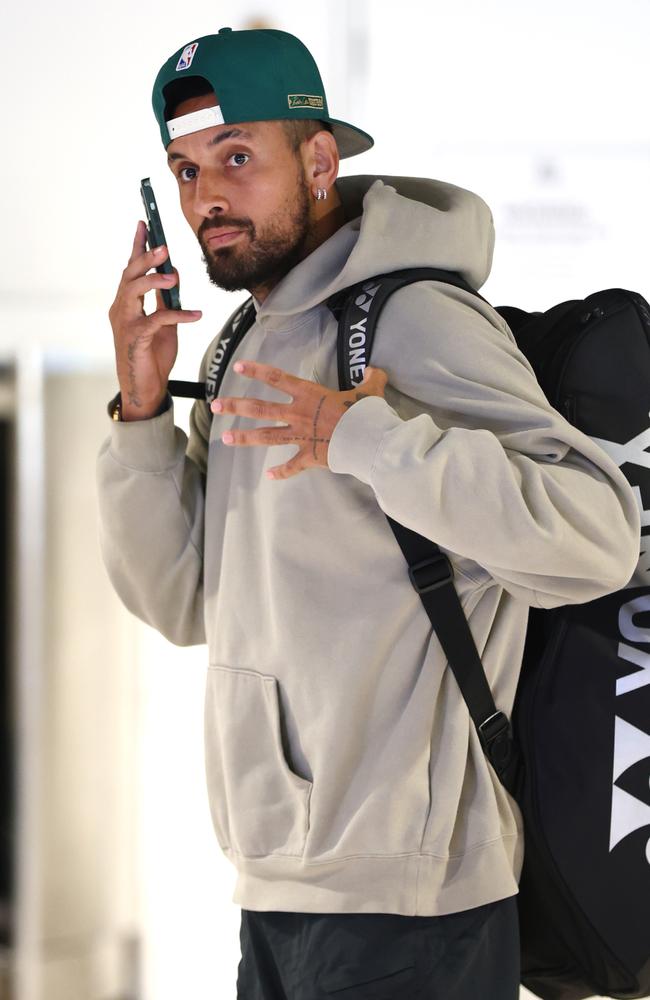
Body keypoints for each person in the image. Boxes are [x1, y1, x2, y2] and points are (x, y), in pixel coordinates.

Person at [97, 26, 640, 1000]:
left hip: (411, 905)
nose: (204, 197)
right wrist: (140, 416)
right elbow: (182, 604)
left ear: (315, 160)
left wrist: (370, 438)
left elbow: (593, 538)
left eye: (234, 158)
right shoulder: (239, 345)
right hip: (277, 882)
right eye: (182, 170)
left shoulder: (411, 319)